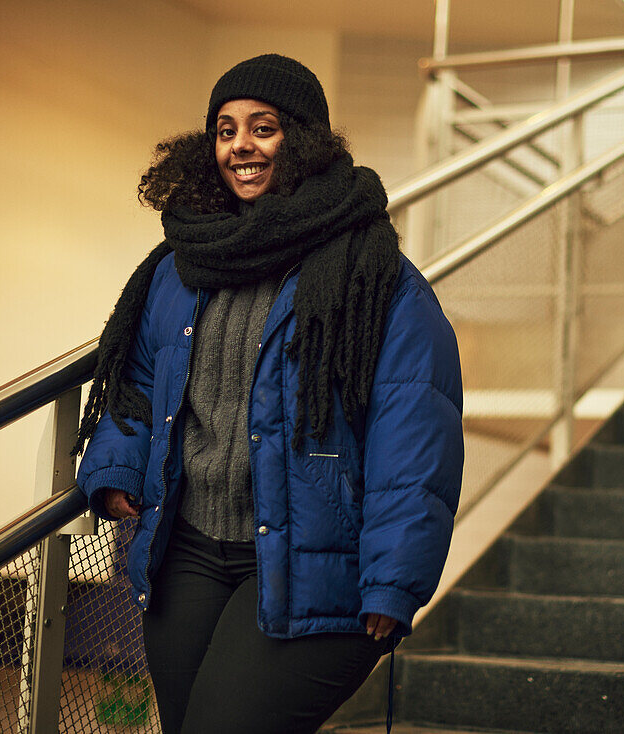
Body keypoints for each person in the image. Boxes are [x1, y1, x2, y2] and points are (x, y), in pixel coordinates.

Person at [74, 53, 463, 734]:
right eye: (226, 130)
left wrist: (393, 580)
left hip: (315, 566)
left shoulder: (375, 277)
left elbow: (414, 437)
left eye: (263, 128)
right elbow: (134, 383)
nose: (241, 147)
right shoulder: (180, 267)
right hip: (187, 552)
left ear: (304, 141)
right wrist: (113, 469)